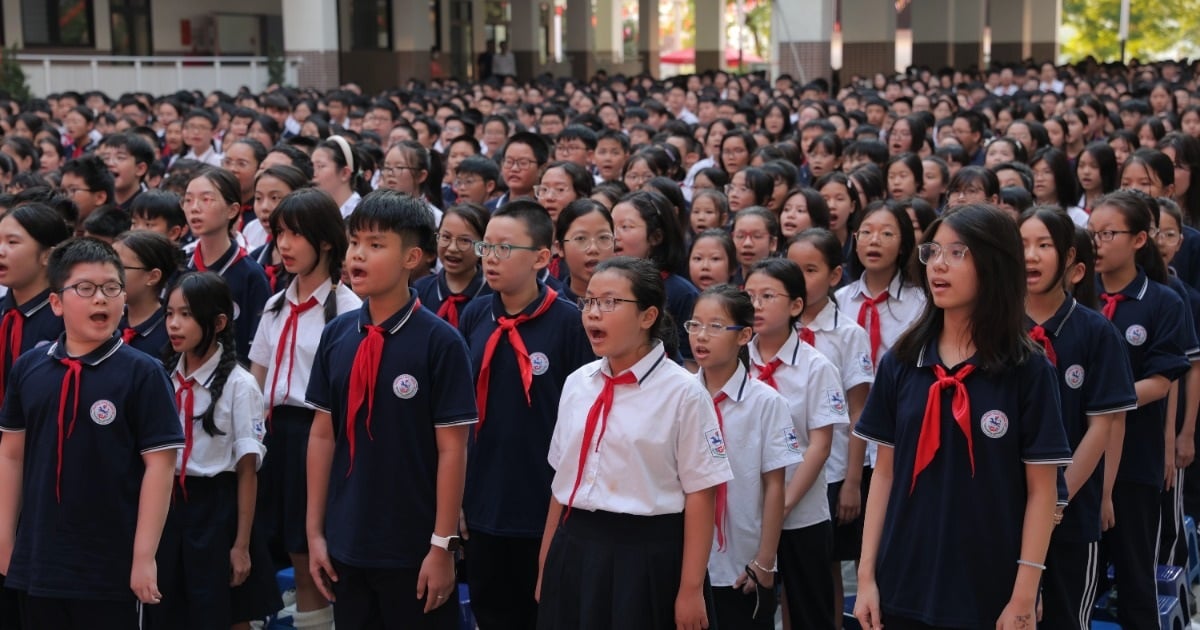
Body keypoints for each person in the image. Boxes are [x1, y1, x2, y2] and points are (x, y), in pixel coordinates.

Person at [854, 204, 1072, 629]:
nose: (938, 264)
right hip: (902, 580)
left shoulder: (1028, 370)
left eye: (958, 253)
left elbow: (1042, 493)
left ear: (994, 265)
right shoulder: (902, 361)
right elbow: (883, 475)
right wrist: (866, 577)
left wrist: (1025, 594)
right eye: (934, 250)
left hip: (989, 589)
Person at [305, 190, 476, 629]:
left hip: (412, 547)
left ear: (412, 257)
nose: (358, 254)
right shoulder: (338, 333)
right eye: (355, 241)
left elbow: (452, 451)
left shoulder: (441, 342)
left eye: (376, 245)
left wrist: (442, 546)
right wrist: (315, 533)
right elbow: (323, 434)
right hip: (347, 540)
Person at [536, 256, 733, 629]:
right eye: (589, 301)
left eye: (610, 302)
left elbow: (702, 495)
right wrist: (547, 559)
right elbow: (561, 483)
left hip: (647, 556)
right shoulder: (578, 382)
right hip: (575, 545)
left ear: (647, 316)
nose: (594, 313)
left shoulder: (684, 393)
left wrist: (690, 589)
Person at [0, 238, 184, 629]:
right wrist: (3, 540)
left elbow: (161, 467)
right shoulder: (30, 368)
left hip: (110, 564)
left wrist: (143, 557)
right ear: (56, 303)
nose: (100, 299)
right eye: (85, 288)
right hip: (39, 560)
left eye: (111, 288)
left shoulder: (143, 373)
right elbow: (11, 454)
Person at [458, 200, 593, 629]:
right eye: (486, 247)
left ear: (541, 257)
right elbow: (459, 416)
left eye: (504, 247)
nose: (490, 258)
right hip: (482, 500)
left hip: (544, 502)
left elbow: (582, 422)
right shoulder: (476, 314)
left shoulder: (570, 323)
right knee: (490, 609)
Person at [1018, 206, 1136, 628]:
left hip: (1070, 512)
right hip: (1006, 508)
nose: (1030, 256)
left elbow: (1102, 426)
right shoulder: (996, 329)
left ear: (1071, 261)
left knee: (1066, 617)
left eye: (1043, 246)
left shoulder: (1095, 332)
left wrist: (1059, 497)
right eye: (1023, 245)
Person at [1089, 191, 1192, 629]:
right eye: (1091, 233)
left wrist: (1107, 401)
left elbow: (1163, 379)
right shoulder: (1076, 295)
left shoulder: (1163, 301)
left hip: (1135, 457)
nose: (1097, 242)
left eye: (1108, 233)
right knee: (1079, 575)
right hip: (1078, 457)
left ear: (1139, 240)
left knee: (1134, 574)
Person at [152, 271, 278, 628]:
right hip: (168, 505)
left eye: (187, 315)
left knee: (220, 611)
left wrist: (241, 544)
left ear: (219, 322)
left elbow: (247, 471)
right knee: (166, 609)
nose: (174, 325)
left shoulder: (241, 385)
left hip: (218, 510)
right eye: (170, 313)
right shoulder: (160, 374)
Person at [690, 284, 800, 629]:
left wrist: (765, 561)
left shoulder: (767, 403)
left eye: (716, 326)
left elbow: (774, 486)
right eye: (694, 325)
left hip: (743, 562)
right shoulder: (680, 397)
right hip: (688, 563)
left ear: (744, 336)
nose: (701, 336)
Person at [745, 257, 846, 630]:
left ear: (796, 306)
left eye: (767, 296)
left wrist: (783, 506)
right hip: (747, 512)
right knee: (751, 607)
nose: (755, 305)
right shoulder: (737, 360)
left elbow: (820, 445)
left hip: (801, 511)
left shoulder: (817, 366)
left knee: (808, 609)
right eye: (750, 295)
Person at [787, 227, 876, 624]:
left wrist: (854, 481)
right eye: (791, 269)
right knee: (788, 571)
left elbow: (860, 412)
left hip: (834, 467)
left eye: (809, 270)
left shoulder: (846, 334)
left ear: (835, 276)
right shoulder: (775, 326)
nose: (798, 280)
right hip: (784, 466)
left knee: (825, 566)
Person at [183, 169, 270, 366]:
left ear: (232, 210)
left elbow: (258, 350)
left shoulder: (251, 274)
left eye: (206, 199)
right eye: (188, 200)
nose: (194, 208)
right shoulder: (180, 266)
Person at [836, 201, 925, 365]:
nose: (874, 240)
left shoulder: (919, 303)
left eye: (887, 234)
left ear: (902, 246)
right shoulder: (839, 300)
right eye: (866, 232)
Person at [414, 203, 491, 326]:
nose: (452, 248)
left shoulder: (492, 294)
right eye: (446, 237)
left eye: (465, 240)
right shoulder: (420, 290)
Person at [113, 230, 180, 357]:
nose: (110, 275)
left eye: (120, 267)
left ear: (153, 277)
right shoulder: (109, 320)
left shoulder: (171, 331)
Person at [555, 199, 617, 303]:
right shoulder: (551, 310)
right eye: (581, 238)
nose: (593, 249)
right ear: (560, 248)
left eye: (603, 237)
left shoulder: (632, 304)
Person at [313, 136, 369, 219]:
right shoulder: (314, 211)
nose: (314, 174)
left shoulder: (362, 214)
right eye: (312, 166)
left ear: (345, 173)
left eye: (320, 166)